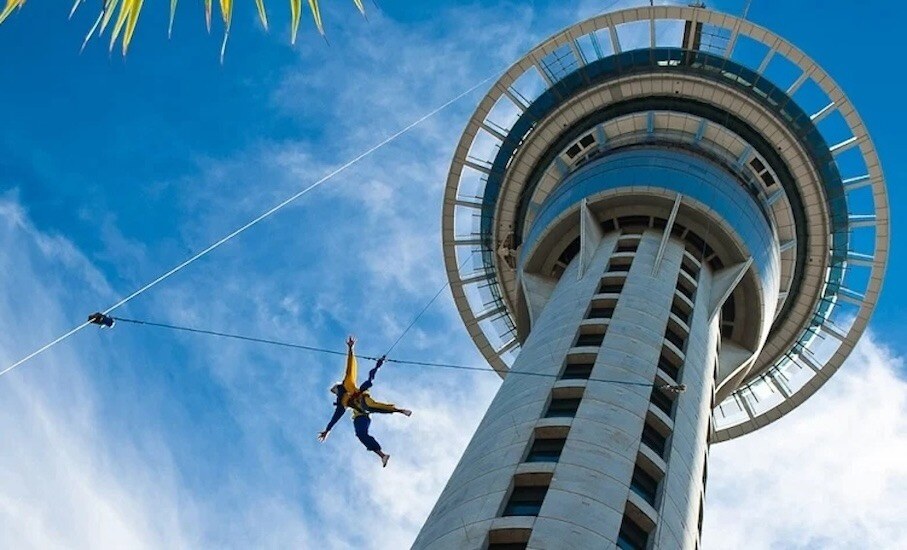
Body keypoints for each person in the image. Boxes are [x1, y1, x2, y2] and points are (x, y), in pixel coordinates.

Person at [317, 336, 411, 467]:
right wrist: (328, 430)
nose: (335, 393)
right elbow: (336, 417)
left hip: (364, 399)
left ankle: (400, 410)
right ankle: (382, 455)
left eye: (334, 390)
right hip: (361, 415)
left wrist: (350, 348)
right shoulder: (342, 403)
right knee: (360, 434)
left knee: (370, 405)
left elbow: (349, 367)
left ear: (338, 387)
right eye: (334, 393)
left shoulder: (347, 383)